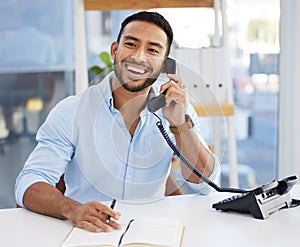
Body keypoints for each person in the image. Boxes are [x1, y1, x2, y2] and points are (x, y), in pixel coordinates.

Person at [15, 11, 220, 233]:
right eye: (131, 44)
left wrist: (180, 125)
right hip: (86, 233)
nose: (139, 57)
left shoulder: (176, 109)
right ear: (115, 50)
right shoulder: (71, 111)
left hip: (151, 233)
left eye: (152, 50)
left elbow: (205, 185)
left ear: (164, 65)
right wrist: (73, 209)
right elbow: (29, 182)